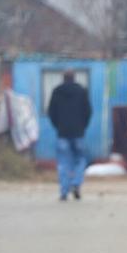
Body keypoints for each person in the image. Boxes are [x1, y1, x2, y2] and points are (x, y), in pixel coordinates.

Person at [48, 71, 91, 201]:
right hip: (78, 133)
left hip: (62, 133)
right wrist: (82, 126)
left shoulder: (56, 91)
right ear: (74, 78)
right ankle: (76, 184)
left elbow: (51, 112)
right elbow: (88, 112)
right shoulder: (82, 91)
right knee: (81, 159)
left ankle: (64, 191)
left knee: (63, 162)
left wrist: (58, 126)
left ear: (63, 78)